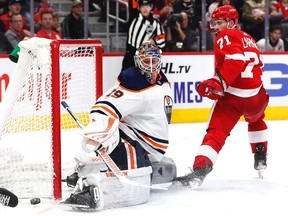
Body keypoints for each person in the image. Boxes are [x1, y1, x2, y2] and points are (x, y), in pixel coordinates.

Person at [60, 41, 175, 211]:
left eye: (154, 61)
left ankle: (90, 168)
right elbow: (104, 106)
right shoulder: (134, 83)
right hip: (134, 141)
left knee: (168, 169)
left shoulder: (161, 80)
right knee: (137, 181)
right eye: (146, 61)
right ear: (138, 61)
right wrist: (98, 133)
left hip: (147, 145)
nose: (151, 67)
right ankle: (90, 190)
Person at [171, 5, 269, 189]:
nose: (216, 27)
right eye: (214, 23)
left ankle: (200, 171)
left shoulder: (226, 36)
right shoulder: (249, 38)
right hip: (258, 97)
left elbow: (236, 61)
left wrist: (219, 82)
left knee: (216, 133)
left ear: (232, 22)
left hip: (234, 98)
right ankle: (261, 155)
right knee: (256, 120)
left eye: (220, 23)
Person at [121, 0, 165, 72]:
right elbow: (133, 3)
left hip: (144, 57)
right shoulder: (134, 17)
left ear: (151, 7)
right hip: (130, 54)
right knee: (125, 79)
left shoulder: (156, 23)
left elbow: (162, 42)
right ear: (139, 8)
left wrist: (154, 40)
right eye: (143, 6)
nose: (145, 9)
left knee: (143, 80)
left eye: (147, 6)